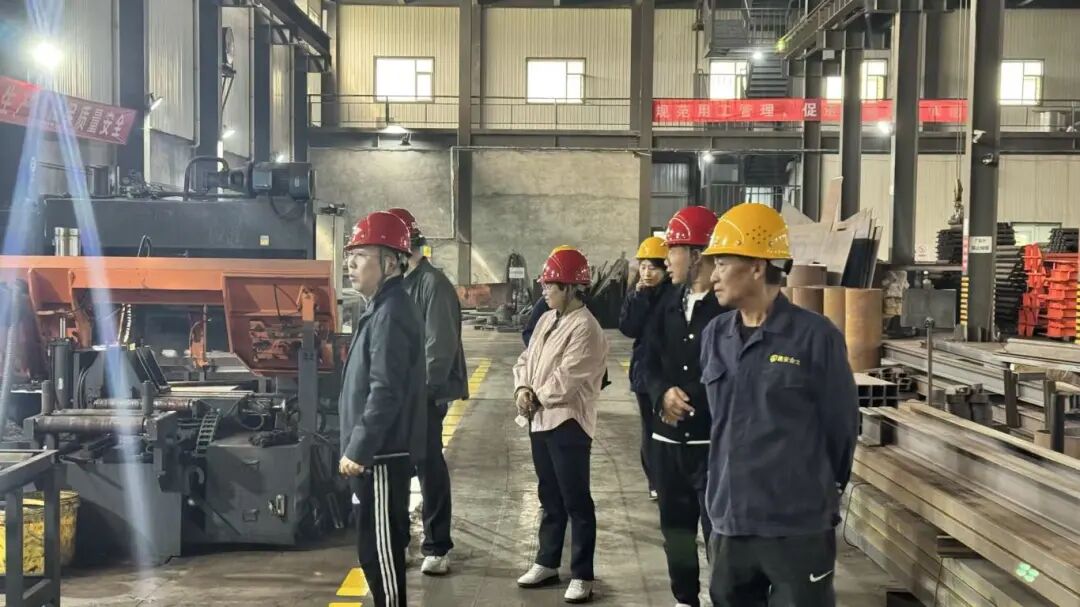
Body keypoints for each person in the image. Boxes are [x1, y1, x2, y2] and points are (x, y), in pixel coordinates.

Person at [699, 203, 858, 607]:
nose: (712, 275)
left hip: (796, 525)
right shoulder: (715, 335)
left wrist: (815, 490)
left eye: (722, 263)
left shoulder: (815, 337)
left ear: (757, 266)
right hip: (730, 521)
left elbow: (841, 428)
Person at [338, 211, 427, 607]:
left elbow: (385, 390)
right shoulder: (380, 308)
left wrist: (359, 448)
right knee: (371, 553)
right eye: (350, 256)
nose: (351, 264)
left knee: (383, 556)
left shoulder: (390, 313)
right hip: (376, 456)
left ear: (390, 263)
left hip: (382, 457)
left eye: (361, 256)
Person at [513, 247, 609, 605]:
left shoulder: (586, 327)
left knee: (576, 500)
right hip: (539, 419)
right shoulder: (546, 319)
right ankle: (547, 561)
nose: (544, 291)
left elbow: (567, 378)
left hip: (568, 423)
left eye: (550, 285)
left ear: (569, 287)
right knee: (549, 496)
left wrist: (534, 396)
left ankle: (582, 574)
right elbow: (526, 359)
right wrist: (522, 388)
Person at [642, 206, 728, 607]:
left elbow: (731, 371)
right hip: (667, 440)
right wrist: (662, 393)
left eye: (672, 250)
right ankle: (684, 598)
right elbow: (647, 360)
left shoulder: (726, 308)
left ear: (696, 254)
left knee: (719, 534)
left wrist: (687, 396)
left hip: (712, 446)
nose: (666, 260)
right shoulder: (666, 302)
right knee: (675, 531)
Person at [385, 207, 468, 576]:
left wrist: (420, 394)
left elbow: (440, 348)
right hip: (399, 394)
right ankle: (400, 540)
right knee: (398, 467)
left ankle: (437, 545)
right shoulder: (399, 284)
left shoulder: (433, 285)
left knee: (428, 464)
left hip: (425, 396)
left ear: (402, 252)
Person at [617, 236, 671, 501]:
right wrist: (639, 297)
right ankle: (655, 482)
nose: (647, 273)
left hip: (669, 374)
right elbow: (628, 328)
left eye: (653, 268)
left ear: (665, 269)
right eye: (643, 267)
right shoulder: (637, 294)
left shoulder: (674, 294)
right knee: (649, 429)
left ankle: (669, 479)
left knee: (667, 429)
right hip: (643, 373)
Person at [522, 245, 575, 347]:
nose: (544, 292)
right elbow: (528, 333)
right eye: (545, 286)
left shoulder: (585, 314)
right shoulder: (545, 303)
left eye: (548, 286)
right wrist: (542, 349)